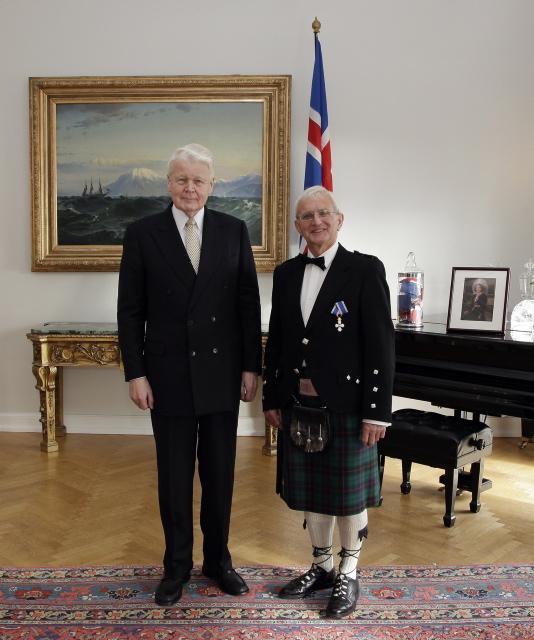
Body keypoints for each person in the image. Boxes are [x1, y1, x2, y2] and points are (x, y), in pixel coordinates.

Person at [117, 143, 262, 607]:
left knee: (220, 476)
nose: (190, 188)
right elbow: (129, 311)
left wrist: (250, 366)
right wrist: (135, 374)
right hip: (168, 375)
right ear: (169, 184)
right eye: (182, 179)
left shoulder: (234, 230)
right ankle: (176, 567)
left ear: (212, 185)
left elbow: (247, 305)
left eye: (199, 180)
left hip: (221, 373)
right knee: (174, 477)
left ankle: (218, 563)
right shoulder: (142, 232)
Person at [263, 186, 394, 619]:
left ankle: (348, 572)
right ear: (297, 226)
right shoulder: (285, 274)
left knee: (347, 497)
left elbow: (380, 346)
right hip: (298, 404)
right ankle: (320, 566)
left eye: (323, 214)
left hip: (348, 405)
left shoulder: (364, 270)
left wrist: (377, 411)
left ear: (339, 220)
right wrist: (271, 397)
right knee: (315, 495)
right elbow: (278, 343)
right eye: (306, 216)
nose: (315, 222)